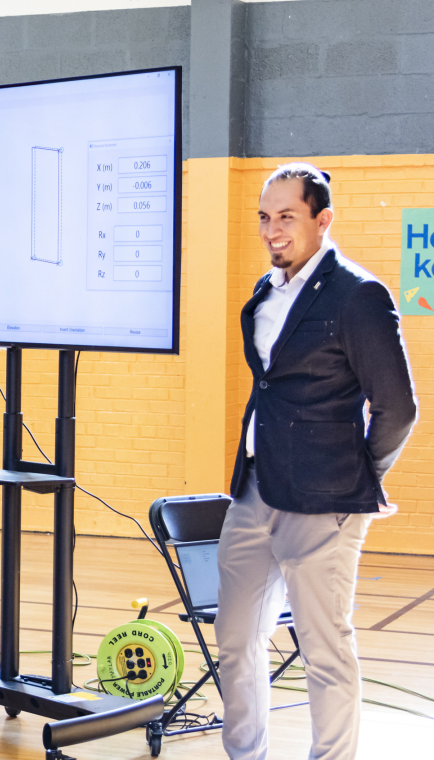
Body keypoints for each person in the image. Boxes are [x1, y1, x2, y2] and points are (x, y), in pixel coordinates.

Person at [217, 163, 417, 760]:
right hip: (254, 493)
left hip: (325, 505)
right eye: (264, 217)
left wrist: (359, 479)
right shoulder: (264, 293)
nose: (271, 230)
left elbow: (398, 409)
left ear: (322, 219)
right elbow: (272, 388)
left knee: (325, 651)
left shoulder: (359, 296)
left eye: (286, 217)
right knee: (236, 641)